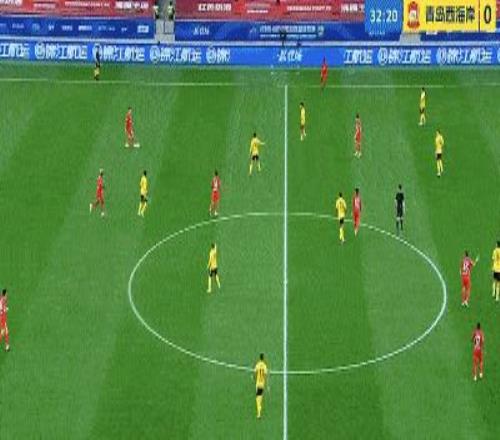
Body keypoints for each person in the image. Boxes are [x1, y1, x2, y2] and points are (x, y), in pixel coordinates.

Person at [254, 353, 268, 419]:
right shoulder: (264, 365)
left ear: (259, 358)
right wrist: (267, 384)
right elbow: (265, 375)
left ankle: (259, 413)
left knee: (257, 398)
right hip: (262, 384)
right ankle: (259, 410)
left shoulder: (257, 364)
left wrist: (254, 378)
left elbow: (255, 373)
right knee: (260, 396)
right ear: (263, 358)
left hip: (258, 383)